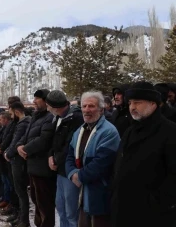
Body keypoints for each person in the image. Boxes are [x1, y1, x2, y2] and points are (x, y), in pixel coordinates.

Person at [111, 81, 176, 227]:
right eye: (130, 103)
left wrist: (156, 202)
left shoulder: (170, 132)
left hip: (152, 215)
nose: (132, 107)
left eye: (138, 102)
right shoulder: (130, 131)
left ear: (153, 104)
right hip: (123, 209)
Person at [66, 91, 120, 227]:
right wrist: (72, 174)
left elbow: (101, 163)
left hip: (101, 192)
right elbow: (70, 156)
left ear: (101, 110)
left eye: (91, 106)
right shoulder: (80, 130)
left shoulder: (109, 131)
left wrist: (80, 177)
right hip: (84, 193)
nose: (86, 110)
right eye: (84, 106)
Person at [16, 89, 55, 227]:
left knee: (45, 204)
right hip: (32, 166)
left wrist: (25, 149)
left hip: (42, 168)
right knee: (36, 201)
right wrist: (19, 145)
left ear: (45, 101)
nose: (33, 101)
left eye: (37, 98)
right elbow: (26, 136)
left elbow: (43, 140)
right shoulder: (35, 116)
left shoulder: (50, 117)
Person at [46, 90, 84, 227]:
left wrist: (56, 160)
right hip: (60, 171)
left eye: (48, 105)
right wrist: (50, 155)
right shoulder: (57, 117)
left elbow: (71, 145)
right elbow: (54, 140)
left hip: (71, 170)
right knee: (61, 208)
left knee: (71, 212)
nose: (47, 108)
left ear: (55, 106)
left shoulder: (76, 118)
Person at [4, 102, 32, 227]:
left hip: (18, 161)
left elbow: (16, 141)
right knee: (19, 191)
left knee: (21, 192)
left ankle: (24, 221)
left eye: (11, 113)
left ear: (16, 112)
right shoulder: (23, 122)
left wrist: (8, 153)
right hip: (16, 160)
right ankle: (20, 217)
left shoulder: (23, 123)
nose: (10, 116)